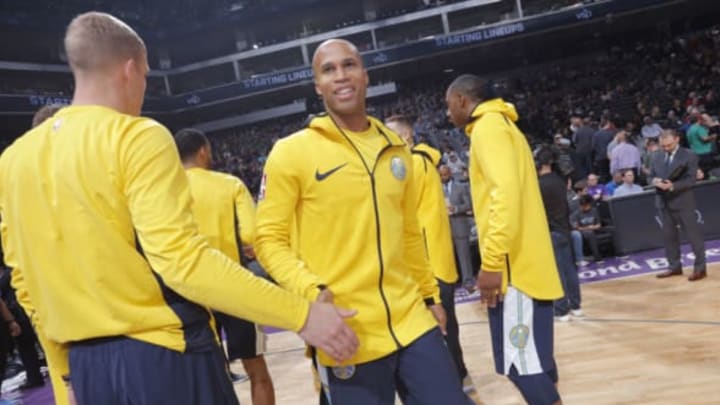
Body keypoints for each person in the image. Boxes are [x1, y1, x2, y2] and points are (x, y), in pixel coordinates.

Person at [0, 12, 358, 405]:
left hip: (86, 367)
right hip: (162, 354)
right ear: (131, 68)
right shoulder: (136, 135)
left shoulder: (13, 160)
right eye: (146, 75)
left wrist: (66, 372)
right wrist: (303, 315)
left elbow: (25, 281)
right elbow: (182, 261)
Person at [255, 39, 472, 405]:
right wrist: (310, 292)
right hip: (346, 328)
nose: (341, 76)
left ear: (365, 76)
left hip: (411, 318)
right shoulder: (291, 152)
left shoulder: (395, 147)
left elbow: (408, 232)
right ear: (317, 85)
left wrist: (429, 295)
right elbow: (268, 239)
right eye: (329, 70)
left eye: (349, 65)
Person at [445, 74, 564, 405]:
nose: (447, 113)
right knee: (538, 365)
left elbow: (505, 197)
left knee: (521, 366)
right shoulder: (505, 125)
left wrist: (493, 262)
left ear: (461, 100)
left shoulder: (488, 128)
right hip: (527, 264)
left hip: (515, 272)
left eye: (447, 105)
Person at [174, 128, 275, 405]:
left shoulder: (168, 189)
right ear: (204, 151)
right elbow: (251, 236)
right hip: (234, 288)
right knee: (257, 372)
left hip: (190, 292)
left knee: (210, 376)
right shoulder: (229, 184)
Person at [384, 115, 474, 393]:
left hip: (426, 263)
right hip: (435, 259)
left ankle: (449, 385)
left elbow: (404, 216)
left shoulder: (411, 163)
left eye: (389, 135)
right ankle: (459, 376)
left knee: (435, 329)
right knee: (447, 323)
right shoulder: (423, 160)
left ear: (407, 136)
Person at [649, 130, 707, 281]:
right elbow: (650, 175)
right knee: (669, 237)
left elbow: (691, 180)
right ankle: (674, 266)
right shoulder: (656, 155)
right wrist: (654, 181)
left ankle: (700, 268)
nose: (666, 148)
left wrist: (673, 186)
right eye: (663, 146)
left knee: (694, 237)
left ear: (677, 139)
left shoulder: (689, 155)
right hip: (663, 202)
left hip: (683, 201)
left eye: (669, 145)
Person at [536, 148, 583, 323]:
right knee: (570, 269)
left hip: (550, 231)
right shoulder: (560, 181)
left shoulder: (538, 185)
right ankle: (576, 306)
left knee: (557, 272)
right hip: (565, 228)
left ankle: (562, 310)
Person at [439, 165, 475, 292]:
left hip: (459, 225)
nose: (443, 177)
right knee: (447, 259)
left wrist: (456, 209)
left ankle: (468, 282)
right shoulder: (436, 190)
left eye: (445, 174)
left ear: (450, 173)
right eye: (441, 175)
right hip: (443, 229)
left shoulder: (461, 187)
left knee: (464, 257)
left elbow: (468, 204)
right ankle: (449, 284)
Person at [570, 195, 603, 263]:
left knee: (591, 232)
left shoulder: (594, 211)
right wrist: (587, 228)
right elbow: (576, 228)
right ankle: (597, 257)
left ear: (589, 204)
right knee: (589, 233)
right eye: (583, 206)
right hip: (583, 232)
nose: (584, 207)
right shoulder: (576, 214)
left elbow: (599, 225)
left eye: (586, 206)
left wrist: (593, 227)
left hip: (595, 229)